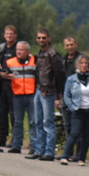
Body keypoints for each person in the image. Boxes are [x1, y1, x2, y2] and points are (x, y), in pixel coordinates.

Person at [29, 29, 65, 161]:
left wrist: (58, 92)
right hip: (39, 89)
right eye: (39, 38)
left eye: (44, 38)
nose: (41, 40)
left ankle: (49, 152)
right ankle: (39, 150)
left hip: (49, 91)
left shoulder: (53, 54)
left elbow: (60, 74)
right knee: (38, 121)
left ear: (49, 38)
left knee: (48, 122)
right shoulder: (40, 53)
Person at [60, 55, 89, 164]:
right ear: (77, 65)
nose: (83, 65)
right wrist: (72, 107)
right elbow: (66, 95)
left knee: (86, 135)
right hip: (78, 110)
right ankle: (65, 155)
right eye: (81, 63)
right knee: (74, 133)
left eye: (85, 63)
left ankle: (81, 158)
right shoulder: (71, 79)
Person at [5, 40, 36, 155]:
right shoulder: (10, 62)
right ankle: (16, 145)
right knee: (17, 121)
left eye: (21, 50)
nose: (18, 52)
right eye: (17, 49)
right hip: (17, 95)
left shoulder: (34, 61)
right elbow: (5, 78)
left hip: (32, 95)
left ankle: (34, 146)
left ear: (27, 51)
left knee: (33, 121)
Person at [0, 25, 19, 147]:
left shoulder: (18, 48)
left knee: (14, 113)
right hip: (2, 84)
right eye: (7, 34)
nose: (9, 36)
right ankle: (2, 137)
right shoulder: (2, 48)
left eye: (11, 34)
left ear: (15, 35)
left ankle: (15, 138)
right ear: (4, 35)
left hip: (14, 84)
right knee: (2, 112)